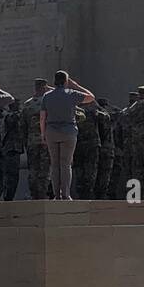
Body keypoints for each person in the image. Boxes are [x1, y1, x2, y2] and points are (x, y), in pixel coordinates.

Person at [40, 71, 95, 200]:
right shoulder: (72, 94)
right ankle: (66, 194)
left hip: (51, 132)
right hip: (68, 132)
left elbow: (42, 117)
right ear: (66, 81)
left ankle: (56, 195)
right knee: (65, 164)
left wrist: (43, 134)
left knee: (54, 164)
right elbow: (91, 97)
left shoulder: (47, 96)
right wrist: (75, 85)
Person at [21, 79, 52, 199]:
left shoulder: (27, 104)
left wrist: (26, 140)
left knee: (33, 169)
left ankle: (34, 194)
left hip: (31, 142)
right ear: (44, 87)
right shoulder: (49, 102)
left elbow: (22, 125)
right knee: (44, 170)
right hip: (46, 141)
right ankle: (43, 194)